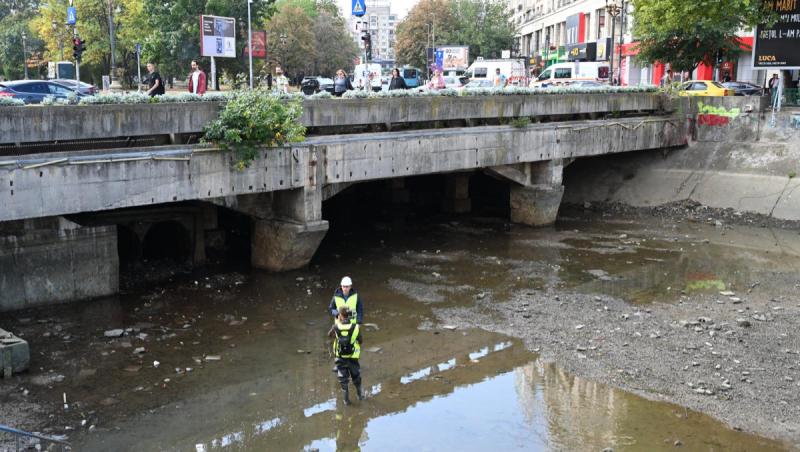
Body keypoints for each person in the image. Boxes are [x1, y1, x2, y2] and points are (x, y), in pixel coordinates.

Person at [328, 306, 363, 405]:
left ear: (340, 316)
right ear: (349, 316)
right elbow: (360, 341)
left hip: (340, 357)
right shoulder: (356, 327)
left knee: (343, 379)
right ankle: (360, 395)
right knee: (356, 376)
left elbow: (329, 335)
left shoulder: (335, 327)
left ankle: (346, 401)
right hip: (353, 357)